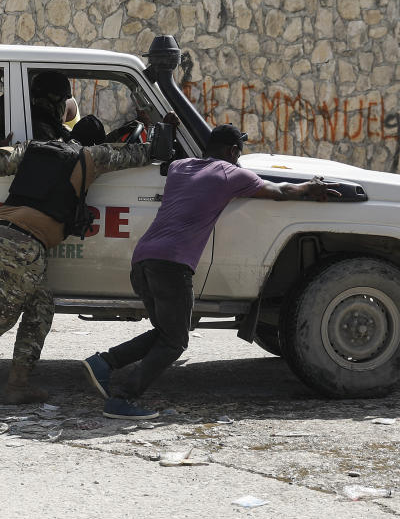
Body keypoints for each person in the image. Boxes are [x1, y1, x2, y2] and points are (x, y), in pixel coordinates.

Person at [0, 103, 179, 409]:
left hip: (8, 236)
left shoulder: (34, 148)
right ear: (93, 142)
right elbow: (142, 155)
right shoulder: (92, 156)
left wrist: (10, 145)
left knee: (40, 307)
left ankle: (18, 385)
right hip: (23, 244)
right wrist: (167, 130)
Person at [81, 124, 337, 420]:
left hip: (143, 260)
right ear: (232, 152)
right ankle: (122, 398)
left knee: (167, 332)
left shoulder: (180, 167)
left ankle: (103, 363)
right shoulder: (231, 175)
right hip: (172, 266)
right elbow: (279, 191)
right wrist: (311, 187)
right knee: (175, 341)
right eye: (238, 152)